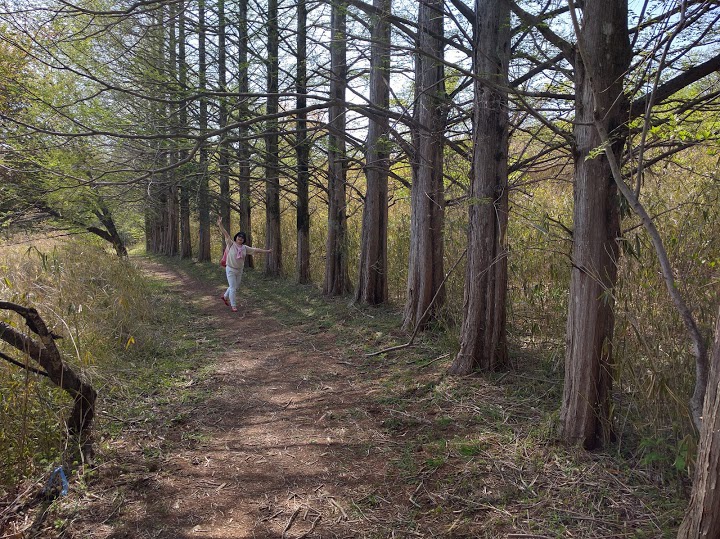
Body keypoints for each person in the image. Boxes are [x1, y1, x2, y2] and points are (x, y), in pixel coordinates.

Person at [216, 216, 272, 312]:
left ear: (244, 240)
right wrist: (220, 224)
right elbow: (225, 234)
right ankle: (233, 306)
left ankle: (225, 296)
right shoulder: (231, 244)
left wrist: (267, 251)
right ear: (236, 238)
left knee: (236, 287)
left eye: (242, 238)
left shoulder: (245, 248)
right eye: (239, 237)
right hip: (230, 269)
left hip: (239, 270)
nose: (240, 238)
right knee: (233, 288)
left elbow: (256, 250)